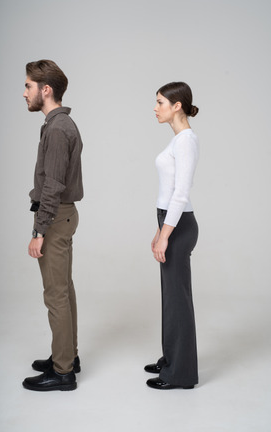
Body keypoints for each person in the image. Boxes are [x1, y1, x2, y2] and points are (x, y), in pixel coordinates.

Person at [22, 60, 84, 392]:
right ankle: (66, 356)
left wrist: (39, 231)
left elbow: (53, 185)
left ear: (46, 90)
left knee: (55, 295)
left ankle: (63, 373)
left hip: (56, 217)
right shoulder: (57, 124)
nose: (25, 92)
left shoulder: (59, 128)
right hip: (60, 215)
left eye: (29, 86)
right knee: (63, 290)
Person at [145, 82, 199, 390]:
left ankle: (181, 375)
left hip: (179, 226)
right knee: (171, 300)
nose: (155, 108)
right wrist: (159, 231)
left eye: (160, 102)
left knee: (178, 302)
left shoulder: (186, 140)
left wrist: (166, 235)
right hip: (169, 223)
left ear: (176, 105)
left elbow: (181, 194)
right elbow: (167, 195)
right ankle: (171, 359)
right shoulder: (178, 139)